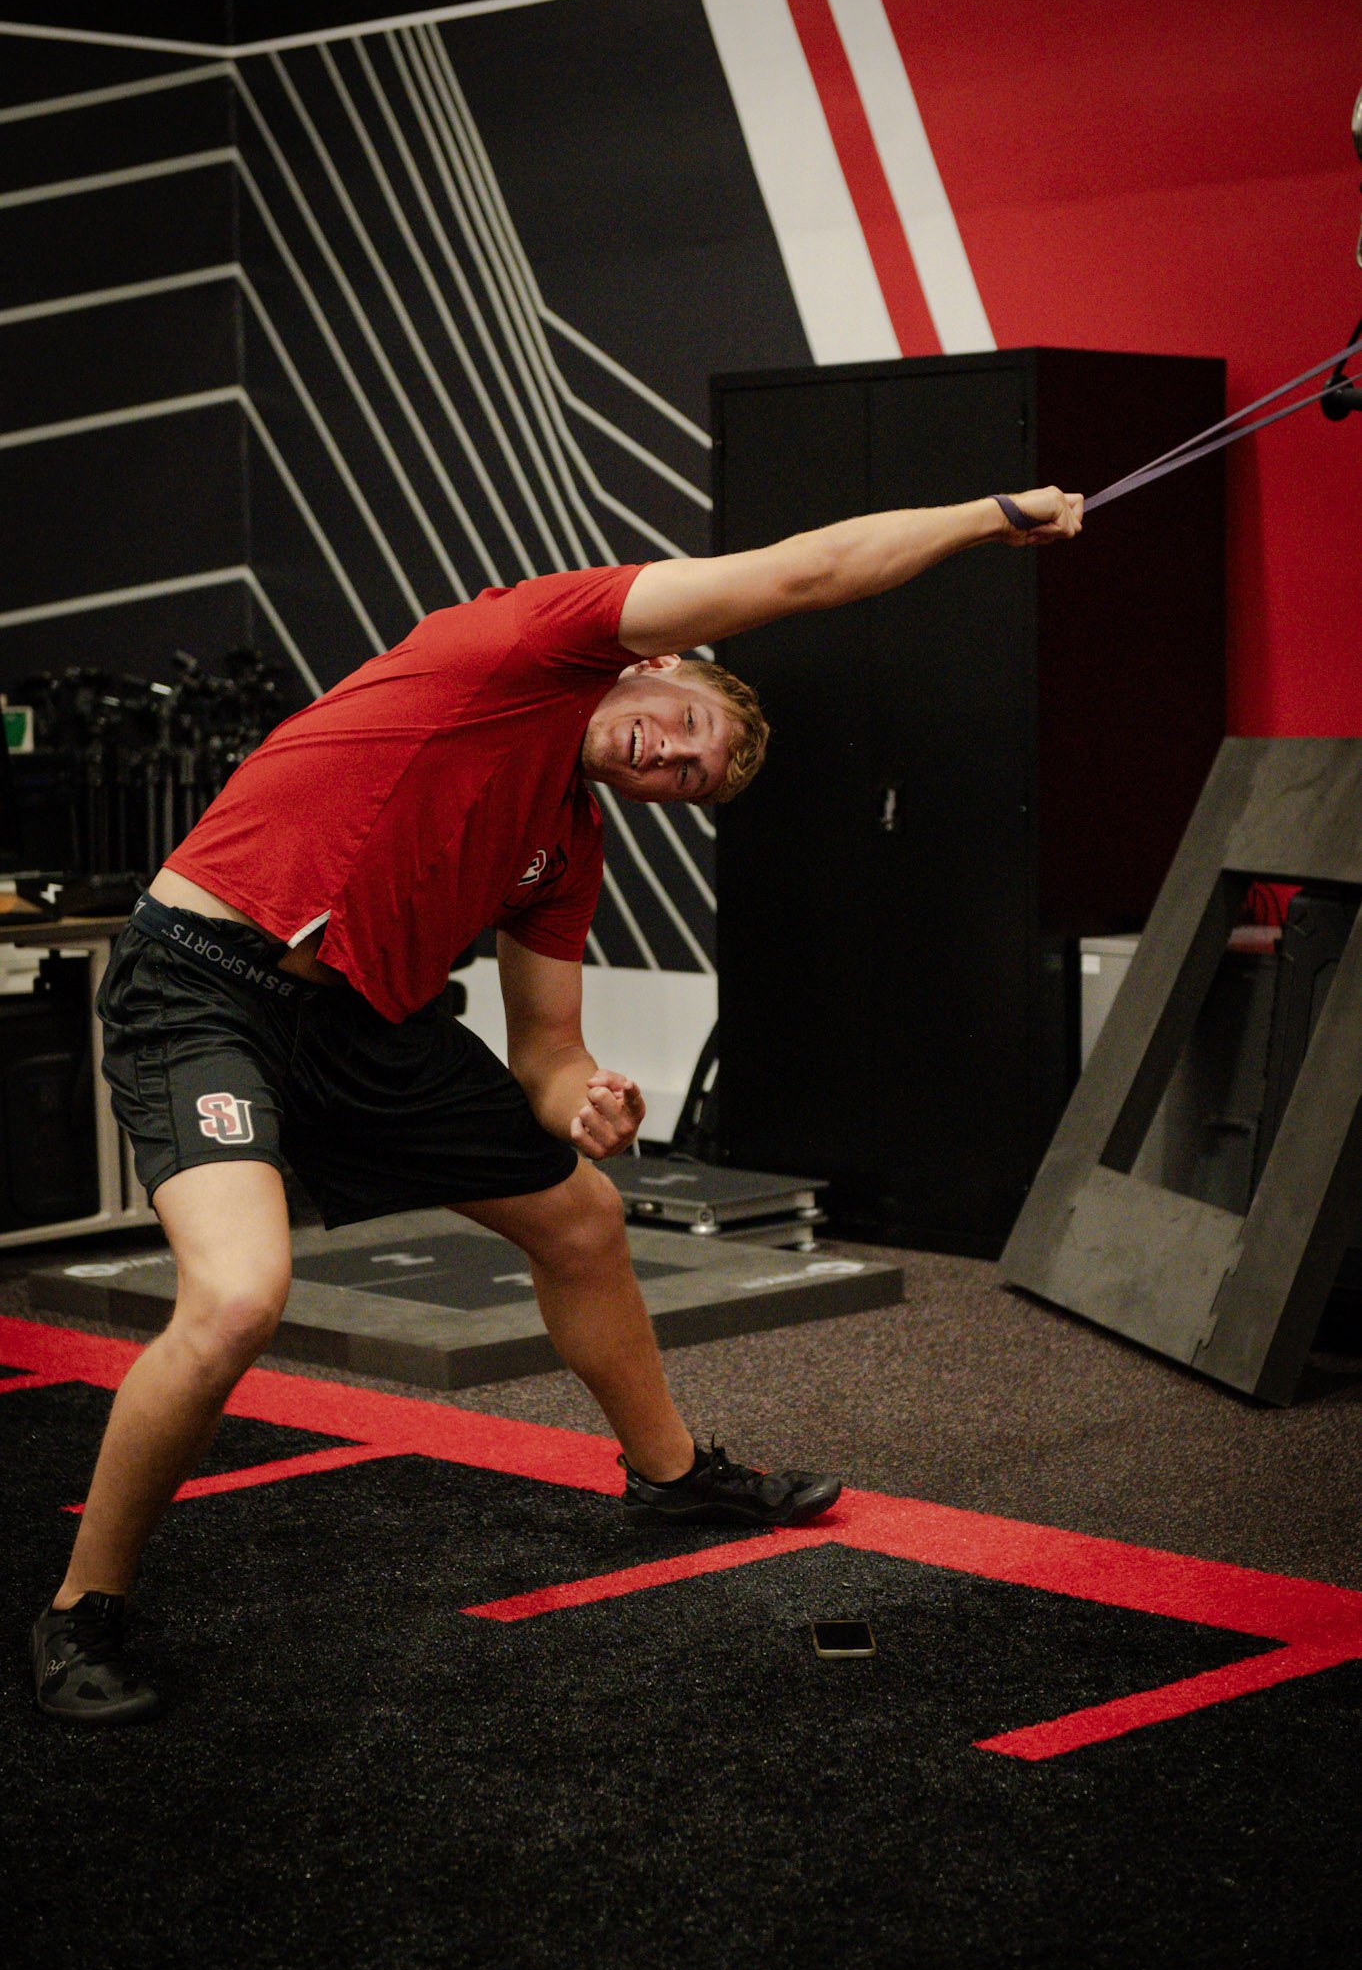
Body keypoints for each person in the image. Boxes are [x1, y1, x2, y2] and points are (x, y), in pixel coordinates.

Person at [31, 486, 1082, 1724]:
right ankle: (81, 1608)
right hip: (208, 984)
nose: (671, 760)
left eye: (687, 781)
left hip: (371, 1024)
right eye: (682, 726)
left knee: (582, 1217)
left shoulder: (562, 838)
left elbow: (546, 1053)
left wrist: (592, 1101)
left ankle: (672, 1473)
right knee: (239, 1296)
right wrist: (984, 518)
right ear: (661, 666)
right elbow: (806, 574)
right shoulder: (537, 640)